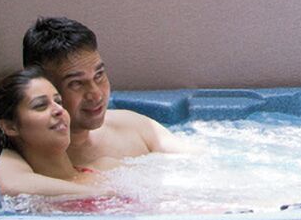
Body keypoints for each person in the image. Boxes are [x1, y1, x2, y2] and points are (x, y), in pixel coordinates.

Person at [22, 16, 187, 167]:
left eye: (99, 75)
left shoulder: (136, 126)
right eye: (76, 83)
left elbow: (200, 165)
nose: (96, 94)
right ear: (41, 87)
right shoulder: (29, 164)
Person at [0, 68, 114, 199]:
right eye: (40, 105)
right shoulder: (24, 188)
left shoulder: (107, 167)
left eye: (58, 102)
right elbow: (9, 184)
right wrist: (99, 194)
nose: (59, 110)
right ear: (10, 127)